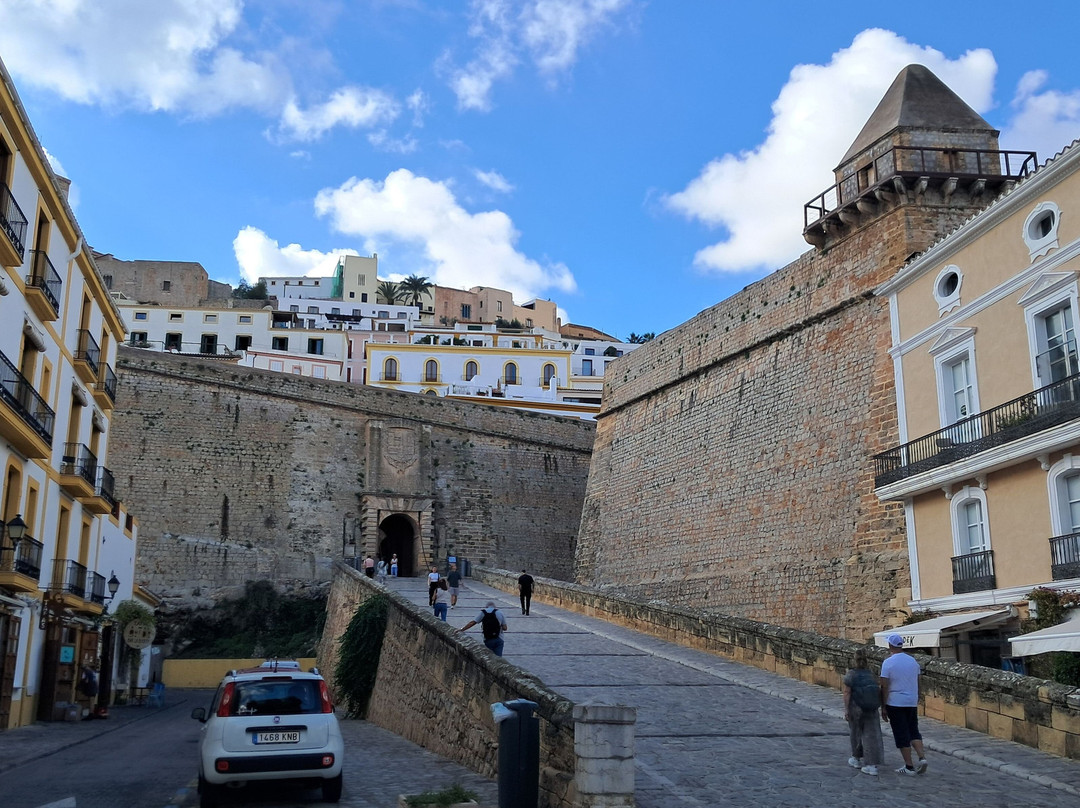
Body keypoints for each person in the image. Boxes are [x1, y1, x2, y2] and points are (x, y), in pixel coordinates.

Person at [880, 633, 928, 776]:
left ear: (890, 646)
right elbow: (919, 682)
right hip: (911, 700)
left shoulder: (888, 663)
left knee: (901, 733)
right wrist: (917, 697)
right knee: (913, 730)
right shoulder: (913, 661)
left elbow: (884, 686)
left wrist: (883, 706)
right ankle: (922, 757)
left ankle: (909, 765)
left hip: (895, 701)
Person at [842, 648, 884, 776]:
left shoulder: (851, 674)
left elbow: (847, 692)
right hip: (871, 707)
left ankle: (860, 760)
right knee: (871, 734)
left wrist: (846, 709)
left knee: (856, 733)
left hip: (857, 707)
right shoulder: (871, 674)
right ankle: (868, 761)